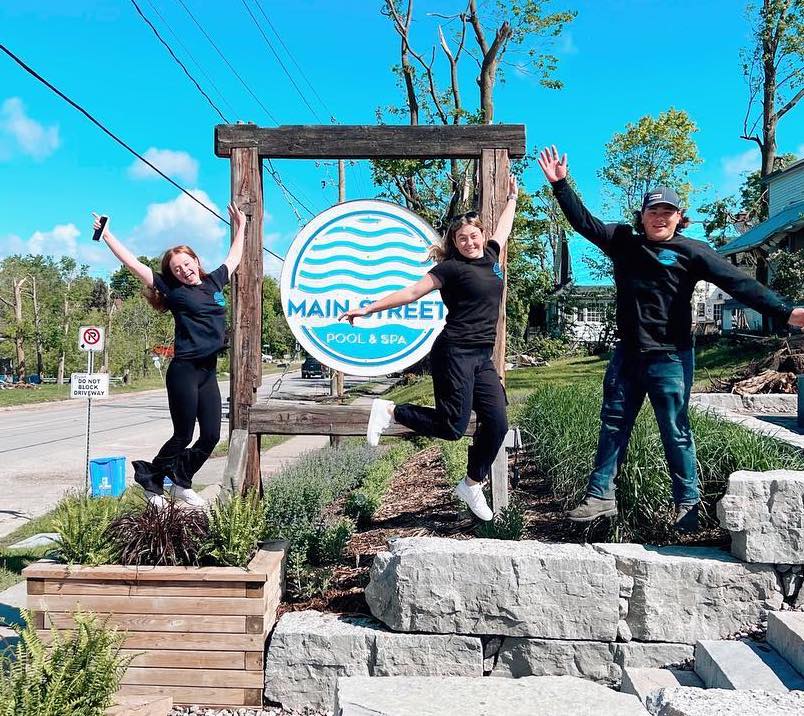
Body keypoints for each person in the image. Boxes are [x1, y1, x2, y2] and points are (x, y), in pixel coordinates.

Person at [537, 145, 804, 530]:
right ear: (642, 215)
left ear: (679, 218)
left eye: (668, 212)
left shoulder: (692, 251)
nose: (659, 218)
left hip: (671, 359)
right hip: (627, 356)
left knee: (675, 431)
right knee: (613, 424)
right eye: (653, 211)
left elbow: (740, 283)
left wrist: (786, 312)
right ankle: (600, 495)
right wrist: (561, 185)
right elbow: (585, 223)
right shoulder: (623, 242)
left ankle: (688, 506)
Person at [339, 178, 519, 521]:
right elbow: (410, 294)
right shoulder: (450, 269)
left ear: (481, 235)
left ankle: (471, 483)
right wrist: (366, 308)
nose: (469, 242)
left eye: (473, 235)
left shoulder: (492, 255)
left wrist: (511, 198)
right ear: (454, 243)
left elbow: (504, 228)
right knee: (453, 427)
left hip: (481, 357)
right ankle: (391, 410)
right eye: (461, 238)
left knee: (497, 423)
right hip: (454, 353)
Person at [92, 205, 246, 508]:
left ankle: (180, 480)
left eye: (187, 264)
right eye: (177, 268)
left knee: (212, 435)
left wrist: (240, 225)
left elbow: (234, 257)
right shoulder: (173, 290)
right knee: (183, 434)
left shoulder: (214, 282)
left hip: (208, 372)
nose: (184, 270)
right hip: (184, 371)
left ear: (196, 261)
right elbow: (134, 264)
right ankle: (151, 482)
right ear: (172, 274)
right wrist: (108, 235)